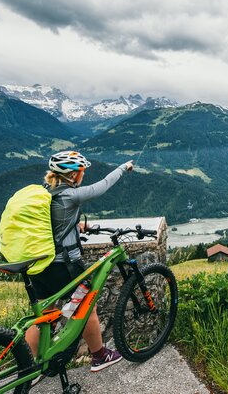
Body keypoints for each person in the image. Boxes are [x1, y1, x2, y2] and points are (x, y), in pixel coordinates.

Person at [25, 150, 133, 373]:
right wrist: (123, 168)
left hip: (39, 264)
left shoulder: (45, 192)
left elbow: (51, 224)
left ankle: (28, 368)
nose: (83, 174)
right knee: (87, 307)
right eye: (82, 171)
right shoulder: (70, 195)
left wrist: (74, 226)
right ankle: (100, 356)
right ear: (73, 175)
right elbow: (102, 186)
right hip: (63, 265)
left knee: (44, 316)